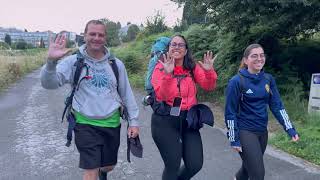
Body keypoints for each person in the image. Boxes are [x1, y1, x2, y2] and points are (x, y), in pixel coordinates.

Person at [40, 20, 139, 180]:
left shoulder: (116, 64)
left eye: (100, 35)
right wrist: (51, 62)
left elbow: (126, 93)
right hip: (84, 123)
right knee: (90, 169)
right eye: (92, 34)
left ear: (105, 38)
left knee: (108, 166)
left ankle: (104, 172)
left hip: (111, 122)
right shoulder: (74, 62)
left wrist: (133, 122)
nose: (96, 38)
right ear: (85, 35)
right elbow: (49, 84)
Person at [224, 44, 300, 180]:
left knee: (248, 168)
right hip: (245, 131)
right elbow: (230, 112)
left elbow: (277, 106)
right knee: (258, 174)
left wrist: (290, 128)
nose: (259, 59)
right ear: (246, 60)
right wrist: (233, 138)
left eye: (261, 55)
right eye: (254, 56)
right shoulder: (236, 82)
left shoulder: (268, 79)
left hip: (262, 132)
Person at [150, 34, 218, 180]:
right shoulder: (160, 67)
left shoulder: (192, 68)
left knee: (195, 164)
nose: (177, 47)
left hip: (189, 120)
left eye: (181, 45)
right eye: (173, 44)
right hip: (165, 121)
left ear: (186, 51)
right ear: (168, 49)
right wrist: (168, 74)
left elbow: (209, 86)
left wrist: (208, 71)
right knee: (173, 165)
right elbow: (162, 95)